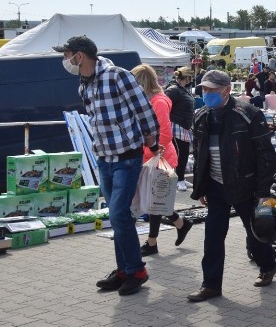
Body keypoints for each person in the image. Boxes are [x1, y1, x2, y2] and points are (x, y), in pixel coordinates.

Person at [53, 36, 160, 296]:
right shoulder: (84, 85)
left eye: (66, 54)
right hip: (105, 159)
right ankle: (124, 269)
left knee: (119, 215)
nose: (64, 60)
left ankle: (137, 270)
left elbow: (142, 107)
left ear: (80, 56)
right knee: (116, 217)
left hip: (126, 157)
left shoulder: (117, 76)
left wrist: (151, 135)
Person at [187, 70, 276, 302]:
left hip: (244, 185)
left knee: (255, 232)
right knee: (213, 237)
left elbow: (265, 155)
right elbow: (200, 156)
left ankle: (267, 266)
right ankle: (211, 285)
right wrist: (201, 188)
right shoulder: (202, 116)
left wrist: (261, 191)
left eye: (212, 90)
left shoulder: (248, 114)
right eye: (204, 89)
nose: (206, 93)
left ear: (227, 90)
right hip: (216, 187)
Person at [131, 64, 193, 256]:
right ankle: (181, 224)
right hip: (153, 156)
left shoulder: (159, 101)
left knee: (155, 202)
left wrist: (150, 152)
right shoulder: (150, 100)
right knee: (157, 200)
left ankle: (152, 243)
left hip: (160, 158)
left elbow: (165, 133)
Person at [165, 66, 195, 191]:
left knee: (183, 154)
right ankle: (179, 179)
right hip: (176, 126)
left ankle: (181, 179)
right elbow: (165, 106)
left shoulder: (180, 89)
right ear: (187, 77)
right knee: (180, 154)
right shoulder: (174, 90)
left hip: (182, 126)